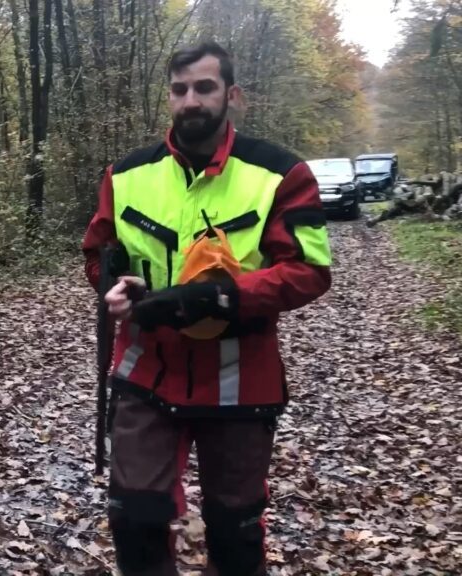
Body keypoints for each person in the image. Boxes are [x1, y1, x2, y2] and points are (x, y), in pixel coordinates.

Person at [82, 42, 332, 576]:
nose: (190, 100)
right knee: (135, 520)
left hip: (242, 374)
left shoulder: (281, 173)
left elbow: (310, 270)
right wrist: (116, 290)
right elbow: (97, 255)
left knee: (236, 528)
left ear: (232, 95)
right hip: (146, 370)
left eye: (204, 87)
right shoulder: (126, 175)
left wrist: (223, 297)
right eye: (179, 90)